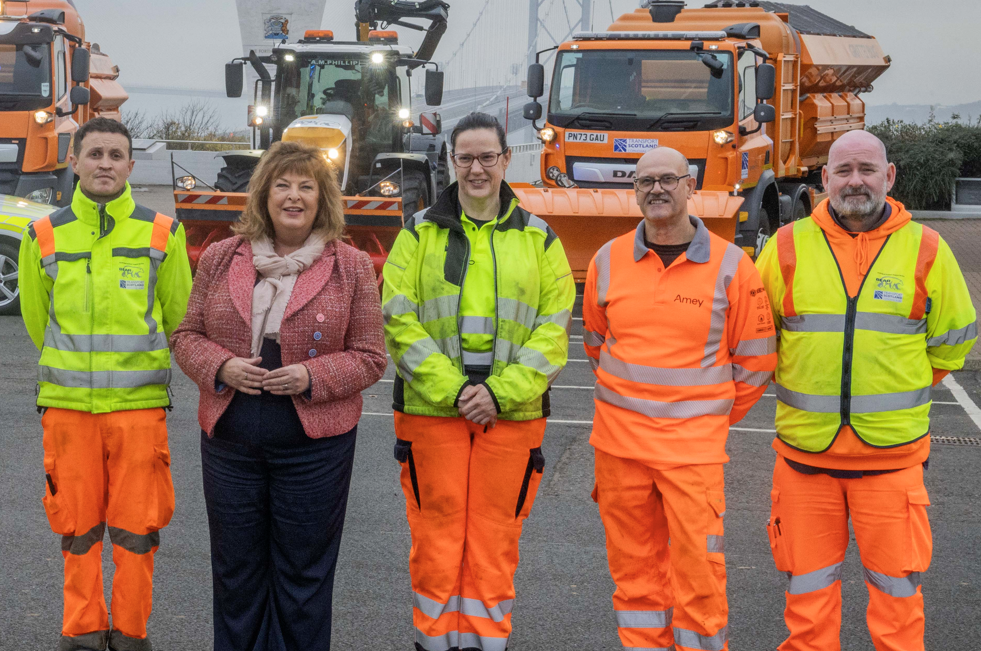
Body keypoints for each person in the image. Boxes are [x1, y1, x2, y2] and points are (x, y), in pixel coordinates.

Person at [755, 129, 976, 651]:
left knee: (898, 610)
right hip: (806, 460)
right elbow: (758, 340)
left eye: (867, 170)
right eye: (845, 171)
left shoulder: (927, 248)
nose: (856, 181)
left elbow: (951, 345)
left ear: (889, 176)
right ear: (824, 178)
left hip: (892, 464)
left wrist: (893, 388)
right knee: (807, 609)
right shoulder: (786, 247)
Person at [170, 140, 386, 651]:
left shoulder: (351, 265)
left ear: (322, 199)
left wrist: (312, 376)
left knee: (303, 576)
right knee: (236, 571)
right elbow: (185, 336)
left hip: (316, 448)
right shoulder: (222, 258)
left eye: (306, 187)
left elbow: (372, 356)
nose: (293, 197)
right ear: (263, 195)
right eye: (282, 185)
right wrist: (220, 364)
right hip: (230, 442)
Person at [382, 112, 576, 651]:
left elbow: (553, 332)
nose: (476, 168)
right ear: (450, 161)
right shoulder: (415, 233)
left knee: (494, 543)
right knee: (435, 542)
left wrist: (496, 394)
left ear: (505, 159)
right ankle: (435, 644)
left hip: (510, 417)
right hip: (430, 414)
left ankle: (488, 644)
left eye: (486, 156)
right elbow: (399, 320)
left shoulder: (541, 240)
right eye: (464, 157)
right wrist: (455, 392)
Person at [582, 146, 776, 651]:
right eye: (645, 182)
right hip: (620, 454)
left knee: (700, 578)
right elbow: (597, 343)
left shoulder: (733, 267)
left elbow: (756, 361)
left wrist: (708, 417)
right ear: (635, 192)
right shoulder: (608, 260)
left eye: (668, 179)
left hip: (692, 456)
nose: (657, 190)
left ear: (691, 186)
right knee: (635, 577)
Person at [18, 117, 192, 651]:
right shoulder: (42, 234)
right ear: (73, 162)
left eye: (116, 155)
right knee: (76, 527)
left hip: (138, 411)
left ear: (131, 167)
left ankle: (133, 632)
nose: (105, 165)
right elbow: (35, 317)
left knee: (137, 530)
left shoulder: (163, 232)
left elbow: (177, 312)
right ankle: (83, 630)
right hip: (68, 410)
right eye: (94, 154)